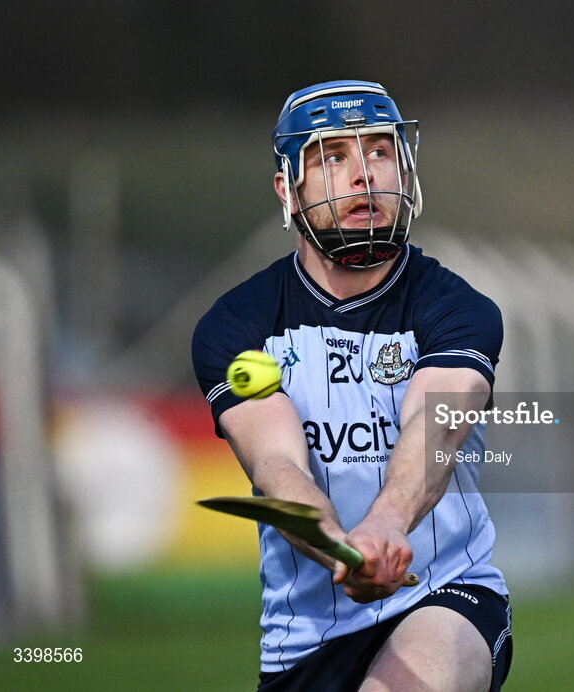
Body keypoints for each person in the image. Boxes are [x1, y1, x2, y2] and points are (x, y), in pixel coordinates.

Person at [191, 80, 512, 691]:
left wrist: (388, 524)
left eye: (379, 151)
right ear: (288, 189)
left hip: (444, 599)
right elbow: (277, 462)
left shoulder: (459, 309)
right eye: (332, 156)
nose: (363, 174)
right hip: (304, 641)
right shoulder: (236, 326)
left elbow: (435, 427)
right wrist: (341, 546)